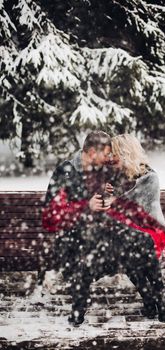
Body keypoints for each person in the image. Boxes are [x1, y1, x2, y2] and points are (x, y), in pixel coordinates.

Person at [41, 130, 114, 322]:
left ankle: (154, 304)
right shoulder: (65, 172)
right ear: (92, 153)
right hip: (70, 238)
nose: (108, 158)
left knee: (131, 243)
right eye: (106, 154)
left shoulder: (98, 171)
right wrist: (85, 208)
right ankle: (78, 312)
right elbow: (51, 217)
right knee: (85, 253)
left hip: (94, 234)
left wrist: (105, 194)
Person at [105, 134, 165, 322]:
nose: (111, 158)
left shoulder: (150, 177)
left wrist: (116, 200)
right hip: (130, 232)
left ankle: (159, 300)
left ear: (126, 153)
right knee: (127, 254)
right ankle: (151, 299)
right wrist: (108, 191)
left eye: (115, 154)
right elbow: (111, 206)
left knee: (140, 248)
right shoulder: (119, 175)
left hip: (152, 230)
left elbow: (135, 202)